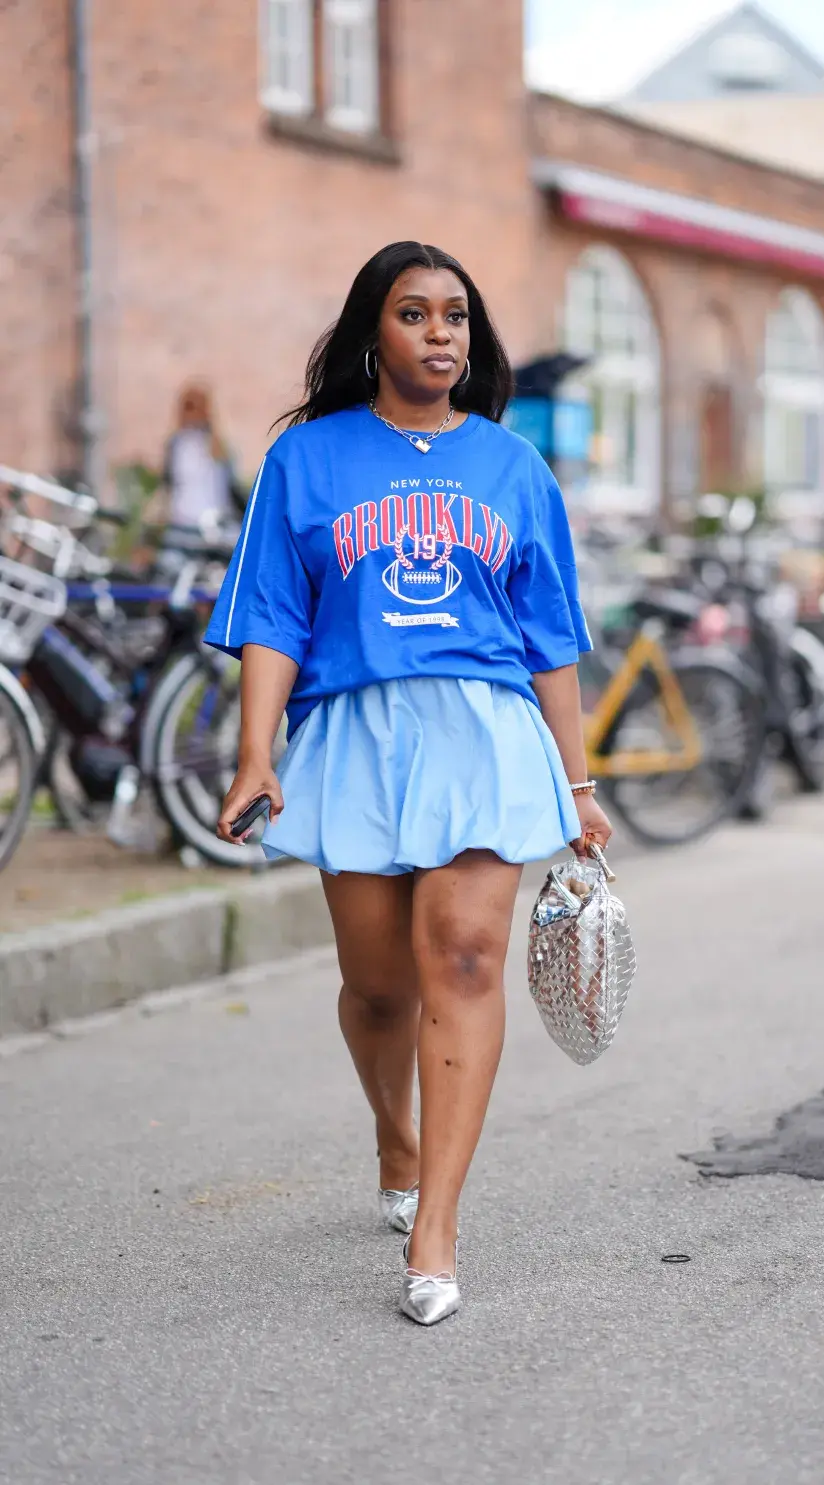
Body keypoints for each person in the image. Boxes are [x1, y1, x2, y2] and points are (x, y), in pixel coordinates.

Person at [204, 241, 612, 1326]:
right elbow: (273, 618)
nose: (442, 334)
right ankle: (396, 1131)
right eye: (415, 313)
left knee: (466, 958)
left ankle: (437, 1223)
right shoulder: (308, 460)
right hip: (357, 731)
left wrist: (576, 787)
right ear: (370, 335)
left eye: (458, 317)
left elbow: (551, 641)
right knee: (380, 984)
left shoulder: (514, 469)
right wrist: (256, 754)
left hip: (484, 733)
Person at [162, 384, 240, 532]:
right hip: (182, 522)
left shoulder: (218, 446)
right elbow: (168, 484)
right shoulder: (176, 445)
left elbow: (230, 488)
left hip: (214, 523)